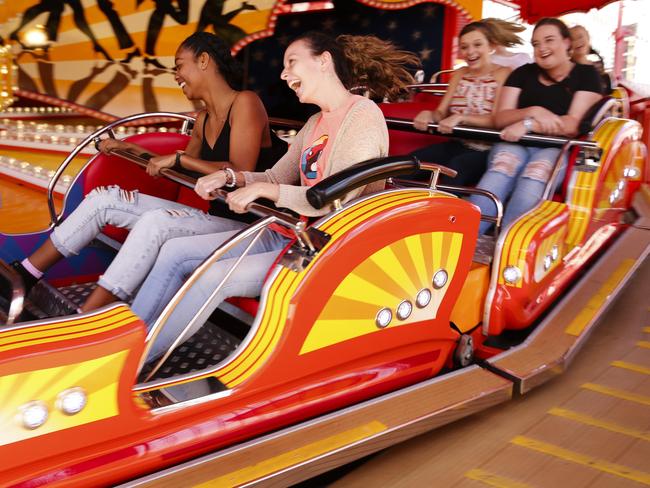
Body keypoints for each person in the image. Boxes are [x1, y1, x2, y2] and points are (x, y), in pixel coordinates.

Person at [130, 31, 419, 360]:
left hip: (328, 248)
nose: (283, 74)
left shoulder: (363, 115)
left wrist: (265, 189)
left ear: (324, 62)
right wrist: (228, 176)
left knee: (213, 275)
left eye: (291, 63)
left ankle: (139, 360)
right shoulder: (314, 122)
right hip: (291, 234)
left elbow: (331, 196)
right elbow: (274, 176)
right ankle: (127, 341)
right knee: (175, 251)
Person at [2, 32, 283, 313]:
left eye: (179, 65)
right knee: (104, 201)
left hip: (252, 226)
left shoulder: (245, 102)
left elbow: (238, 172)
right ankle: (26, 274)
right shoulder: (203, 119)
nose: (176, 76)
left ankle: (86, 318)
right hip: (215, 219)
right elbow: (180, 166)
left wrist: (179, 158)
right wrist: (129, 149)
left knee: (156, 222)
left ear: (204, 60)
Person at [469, 17, 603, 234]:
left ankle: (509, 244)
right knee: (503, 167)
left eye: (549, 40)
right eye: (536, 44)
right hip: (515, 142)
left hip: (557, 147)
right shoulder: (523, 73)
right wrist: (533, 112)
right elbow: (501, 118)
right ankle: (467, 236)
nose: (542, 48)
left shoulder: (586, 75)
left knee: (535, 175)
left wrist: (527, 124)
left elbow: (571, 125)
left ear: (567, 43)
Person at [411, 21, 510, 186]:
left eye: (477, 44)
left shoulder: (503, 74)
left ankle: (444, 211)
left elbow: (498, 120)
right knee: (408, 164)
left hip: (488, 150)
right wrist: (429, 114)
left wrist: (460, 117)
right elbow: (441, 113)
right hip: (458, 143)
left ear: (491, 45)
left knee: (456, 168)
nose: (470, 52)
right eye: (464, 47)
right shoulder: (459, 74)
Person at [570, 25, 612, 93]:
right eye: (573, 39)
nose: (577, 41)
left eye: (580, 37)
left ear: (588, 38)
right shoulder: (569, 71)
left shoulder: (598, 66)